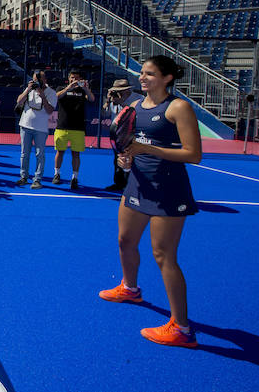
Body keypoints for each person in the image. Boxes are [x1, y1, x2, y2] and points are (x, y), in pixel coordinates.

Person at [98, 55, 201, 348]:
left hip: (169, 189)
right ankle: (130, 288)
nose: (143, 78)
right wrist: (127, 157)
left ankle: (181, 328)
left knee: (163, 255)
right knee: (124, 240)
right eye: (142, 73)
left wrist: (148, 149)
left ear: (168, 78)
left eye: (150, 74)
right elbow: (133, 146)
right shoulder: (134, 108)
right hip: (137, 184)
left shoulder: (178, 107)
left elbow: (193, 154)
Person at [52, 70, 95, 190]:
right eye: (72, 78)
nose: (74, 80)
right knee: (60, 152)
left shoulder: (82, 90)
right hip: (62, 126)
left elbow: (91, 99)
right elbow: (56, 97)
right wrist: (68, 88)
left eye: (76, 78)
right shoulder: (62, 88)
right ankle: (57, 174)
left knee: (76, 154)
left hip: (78, 128)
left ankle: (74, 178)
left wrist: (86, 88)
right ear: (68, 78)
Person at [15, 70, 57, 189]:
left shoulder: (51, 93)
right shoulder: (29, 89)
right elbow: (19, 101)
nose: (36, 81)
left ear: (45, 80)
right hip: (25, 125)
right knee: (24, 153)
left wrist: (42, 95)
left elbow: (50, 110)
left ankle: (37, 179)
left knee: (40, 154)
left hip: (41, 128)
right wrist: (28, 89)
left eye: (39, 79)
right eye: (34, 79)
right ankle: (23, 176)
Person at [104, 79, 138, 192]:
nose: (118, 92)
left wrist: (121, 101)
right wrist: (108, 101)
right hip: (118, 135)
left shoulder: (138, 99)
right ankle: (119, 183)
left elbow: (134, 114)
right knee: (118, 160)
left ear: (128, 90)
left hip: (132, 135)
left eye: (121, 91)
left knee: (131, 160)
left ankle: (132, 185)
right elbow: (104, 113)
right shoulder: (113, 99)